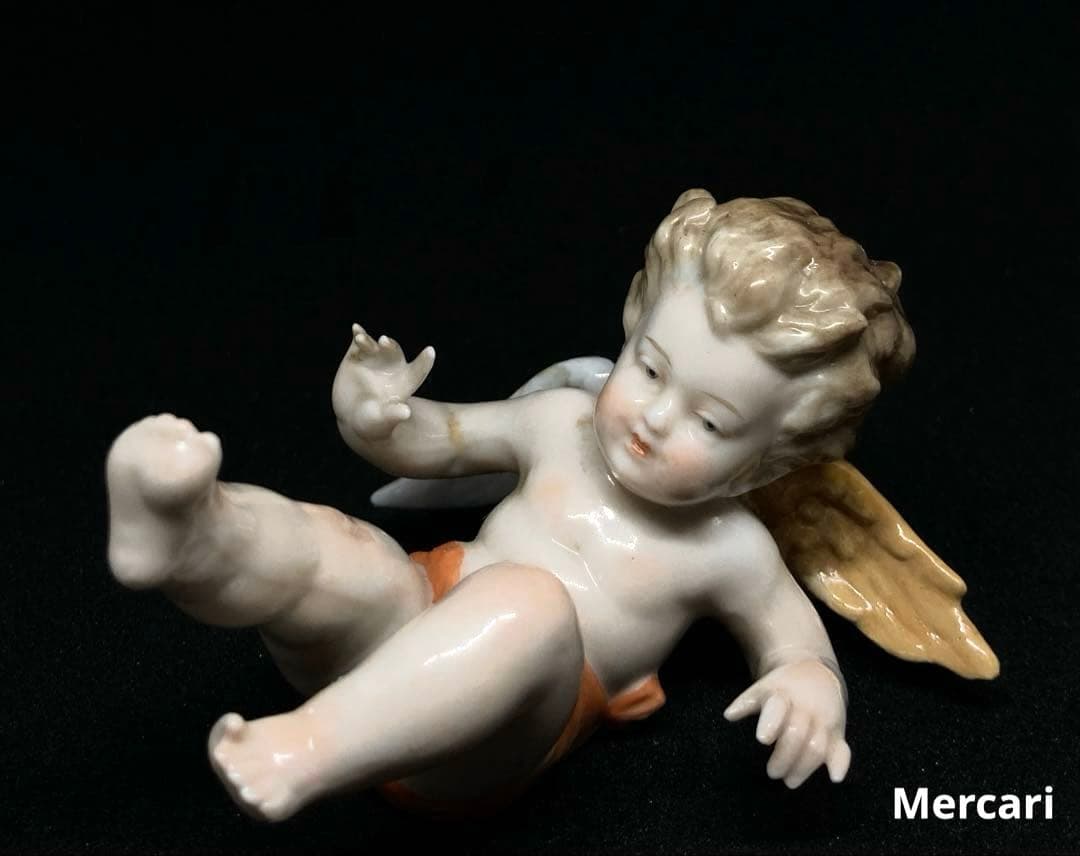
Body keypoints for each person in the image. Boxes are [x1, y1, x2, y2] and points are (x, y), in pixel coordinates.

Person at [105, 189, 914, 822]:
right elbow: (432, 441)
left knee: (531, 604)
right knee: (345, 551)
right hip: (415, 614)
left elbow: (796, 646)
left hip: (491, 737)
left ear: (770, 460)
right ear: (633, 327)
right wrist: (372, 412)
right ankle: (192, 535)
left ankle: (308, 748)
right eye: (650, 369)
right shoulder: (560, 423)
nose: (654, 419)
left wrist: (810, 688)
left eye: (710, 422)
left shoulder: (729, 549)